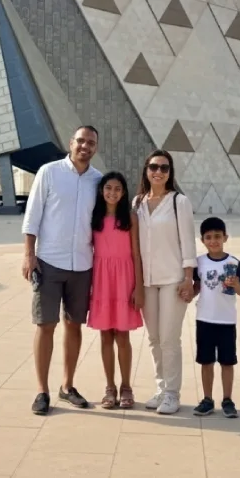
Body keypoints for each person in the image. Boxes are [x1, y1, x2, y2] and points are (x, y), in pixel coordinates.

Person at [22, 126, 102, 415]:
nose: (85, 146)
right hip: (49, 261)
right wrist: (29, 255)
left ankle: (67, 386)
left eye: (90, 143)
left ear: (96, 148)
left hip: (82, 263)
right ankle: (42, 390)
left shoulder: (99, 181)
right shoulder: (49, 172)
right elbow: (33, 215)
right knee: (45, 325)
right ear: (71, 143)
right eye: (80, 141)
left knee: (74, 324)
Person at [134, 149, 196, 415]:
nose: (158, 172)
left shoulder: (178, 202)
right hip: (148, 281)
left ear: (170, 173)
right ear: (146, 170)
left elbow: (188, 241)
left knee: (170, 338)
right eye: (153, 167)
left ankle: (172, 393)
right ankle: (161, 388)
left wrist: (188, 278)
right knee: (154, 338)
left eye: (164, 168)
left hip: (173, 279)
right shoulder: (137, 202)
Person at [87, 171, 144, 409]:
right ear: (102, 191)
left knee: (123, 335)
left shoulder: (130, 218)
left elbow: (136, 253)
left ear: (124, 192)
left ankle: (126, 386)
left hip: (124, 279)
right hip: (102, 280)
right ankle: (109, 387)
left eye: (117, 189)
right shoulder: (94, 217)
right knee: (105, 335)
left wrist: (138, 287)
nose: (112, 193)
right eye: (108, 188)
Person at [191, 217, 240, 418]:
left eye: (217, 237)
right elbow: (197, 287)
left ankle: (227, 399)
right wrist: (188, 293)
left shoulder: (233, 263)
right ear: (202, 240)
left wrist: (236, 285)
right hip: (205, 319)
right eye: (209, 237)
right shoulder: (200, 262)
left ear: (225, 237)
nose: (213, 241)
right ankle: (207, 399)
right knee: (206, 361)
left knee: (227, 362)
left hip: (226, 320)